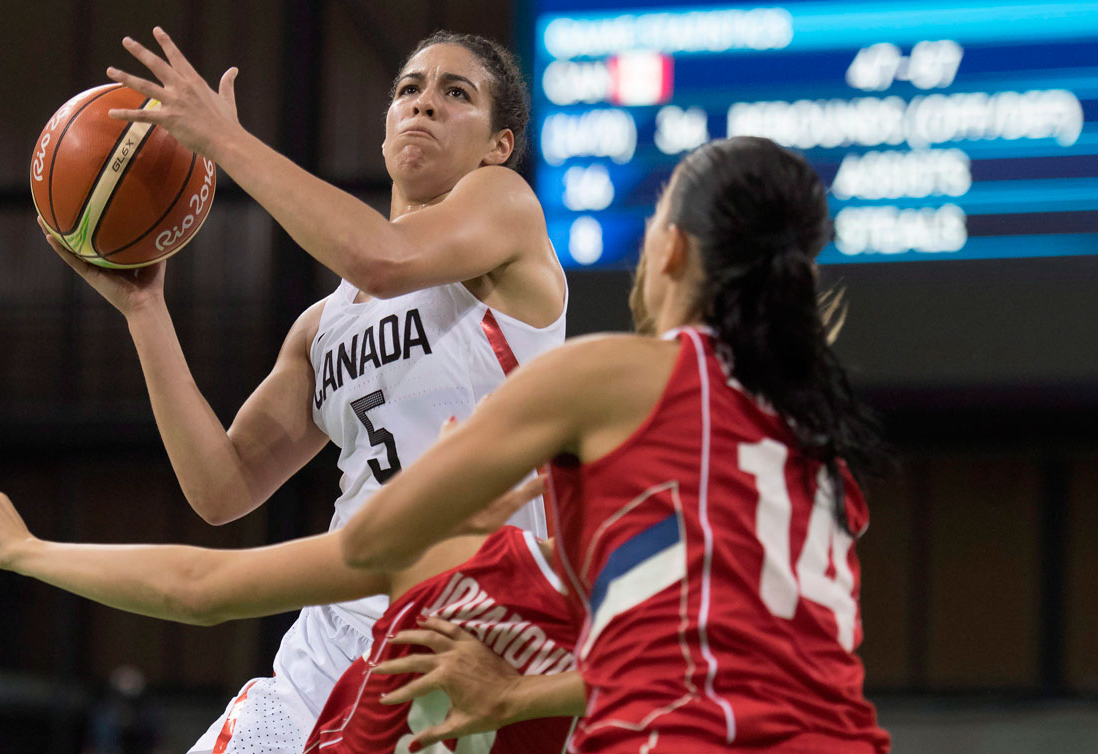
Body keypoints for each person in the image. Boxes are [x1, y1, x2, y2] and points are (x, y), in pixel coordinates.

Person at [42, 28, 567, 753]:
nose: (424, 105)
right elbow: (221, 488)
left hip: (472, 632)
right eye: (409, 89)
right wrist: (145, 311)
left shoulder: (505, 209)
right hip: (332, 640)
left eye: (456, 93)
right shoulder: (326, 324)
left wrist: (225, 141)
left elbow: (382, 256)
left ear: (498, 145)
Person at [340, 137, 892, 753]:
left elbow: (368, 542)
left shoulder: (615, 378)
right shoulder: (818, 446)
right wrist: (518, 698)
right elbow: (706, 658)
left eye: (653, 221)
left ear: (672, 248)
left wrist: (446, 506)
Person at [0, 478, 578, 753]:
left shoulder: (644, 653)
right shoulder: (443, 554)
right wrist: (26, 550)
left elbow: (202, 588)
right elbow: (201, 583)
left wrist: (25, 550)